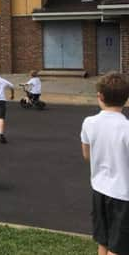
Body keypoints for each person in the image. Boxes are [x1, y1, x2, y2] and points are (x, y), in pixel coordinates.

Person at [81, 73, 129, 255]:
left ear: (100, 96)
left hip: (99, 190)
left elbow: (87, 155)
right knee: (119, 247)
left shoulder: (89, 123)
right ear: (126, 99)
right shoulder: (126, 129)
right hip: (123, 196)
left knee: (104, 241)